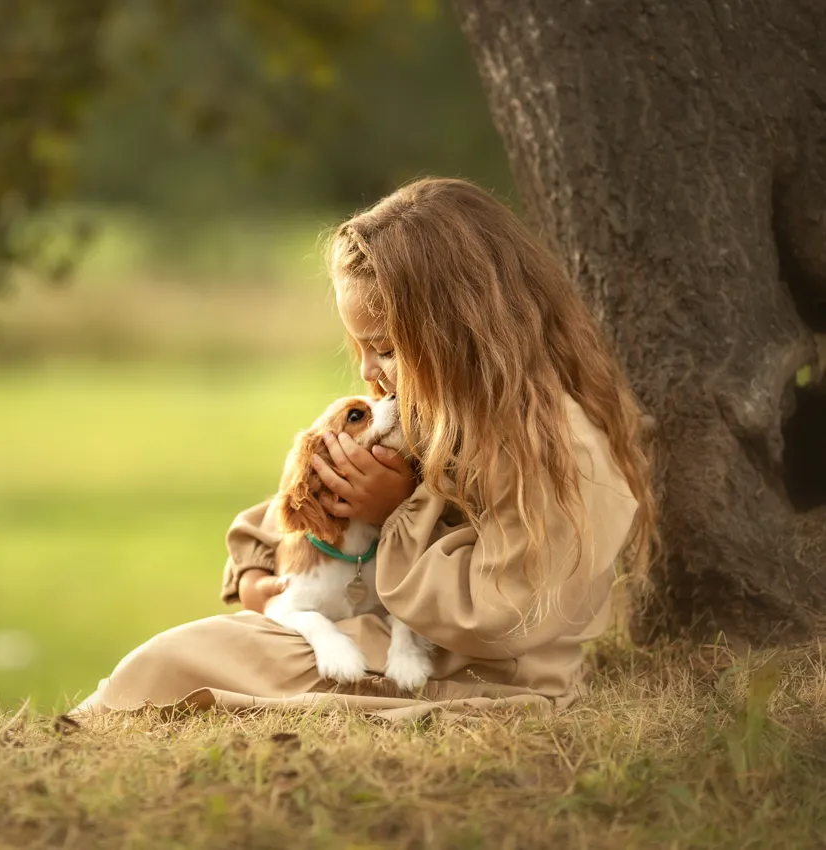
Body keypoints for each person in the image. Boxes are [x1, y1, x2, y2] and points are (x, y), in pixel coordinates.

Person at [71, 178, 656, 721]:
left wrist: (392, 513)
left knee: (178, 658)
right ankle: (84, 725)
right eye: (359, 345)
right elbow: (301, 504)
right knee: (179, 653)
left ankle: (81, 730)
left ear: (459, 332)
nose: (367, 369)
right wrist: (258, 567)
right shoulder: (432, 413)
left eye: (384, 346)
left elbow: (500, 613)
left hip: (481, 673)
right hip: (384, 636)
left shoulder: (555, 449)